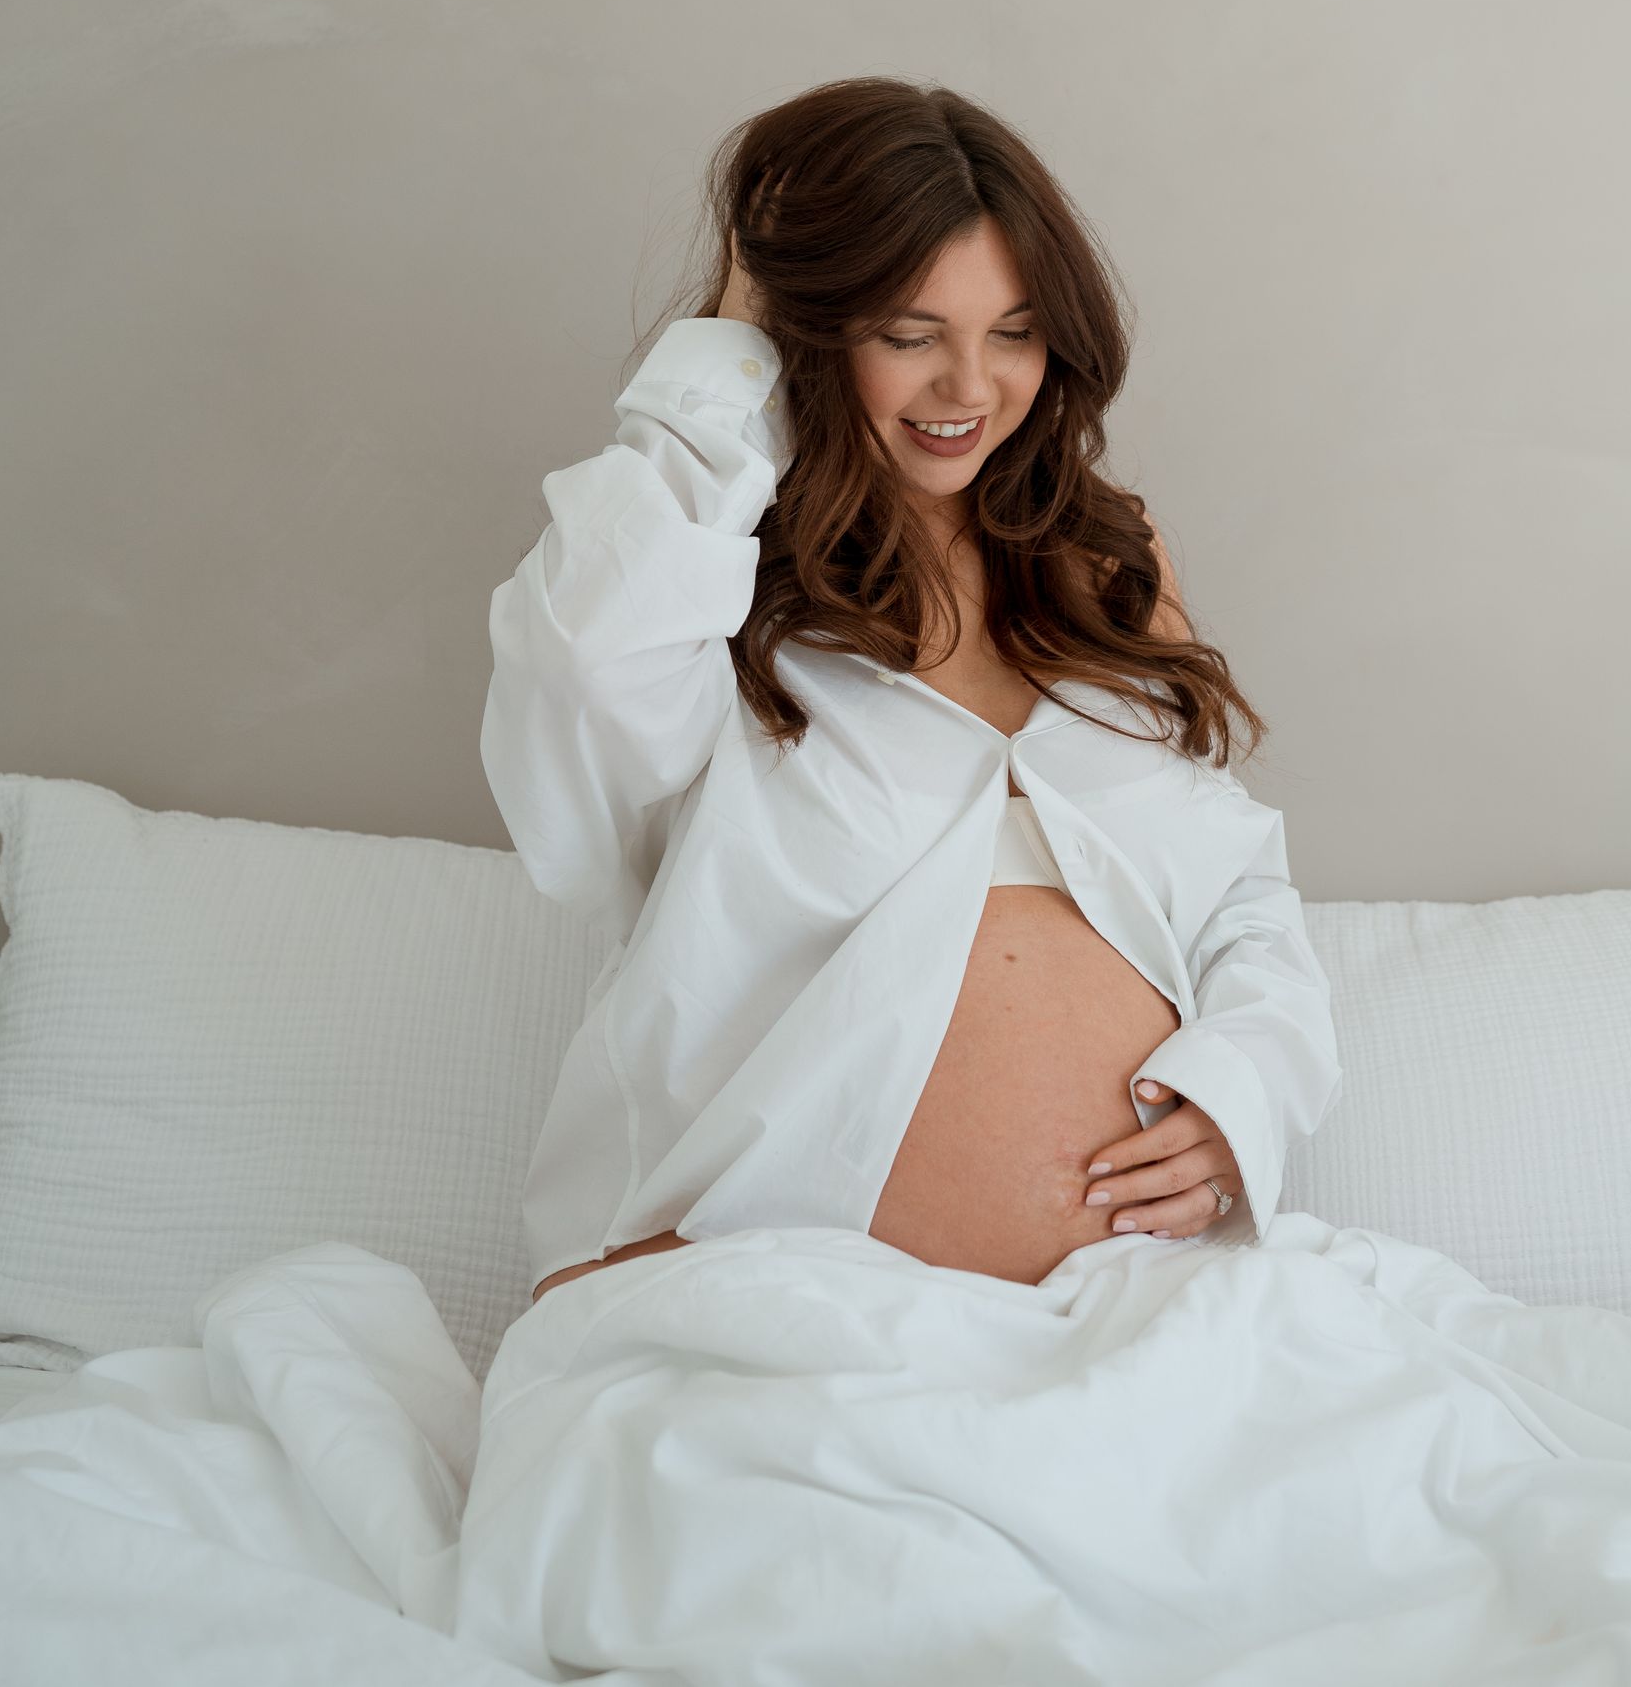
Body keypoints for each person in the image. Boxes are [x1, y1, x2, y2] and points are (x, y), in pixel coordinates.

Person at [480, 74, 1342, 1309]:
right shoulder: (700, 593)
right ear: (810, 329)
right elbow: (575, 678)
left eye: (1015, 330)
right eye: (908, 333)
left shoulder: (1103, 579)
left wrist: (1240, 1097)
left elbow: (1241, 899)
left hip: (1136, 1323)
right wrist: (734, 343)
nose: (971, 389)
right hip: (768, 1318)